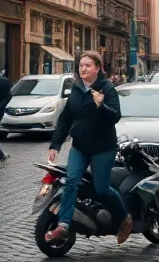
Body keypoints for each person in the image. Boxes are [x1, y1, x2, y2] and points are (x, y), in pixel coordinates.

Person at [44, 52, 131, 245]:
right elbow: (66, 118)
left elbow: (115, 116)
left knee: (101, 189)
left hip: (103, 148)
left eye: (88, 65)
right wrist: (55, 144)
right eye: (81, 65)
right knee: (71, 181)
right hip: (80, 147)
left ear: (97, 68)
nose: (83, 68)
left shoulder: (107, 89)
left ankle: (124, 217)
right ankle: (64, 226)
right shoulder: (76, 89)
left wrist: (101, 106)